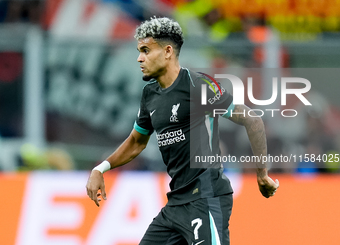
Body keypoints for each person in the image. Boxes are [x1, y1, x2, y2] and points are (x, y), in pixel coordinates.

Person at [86, 17, 279, 245]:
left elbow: (252, 119)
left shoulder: (197, 86)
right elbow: (137, 142)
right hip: (176, 204)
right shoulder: (150, 95)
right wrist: (101, 168)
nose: (139, 58)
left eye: (146, 51)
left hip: (206, 198)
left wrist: (262, 174)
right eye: (139, 51)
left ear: (168, 52)